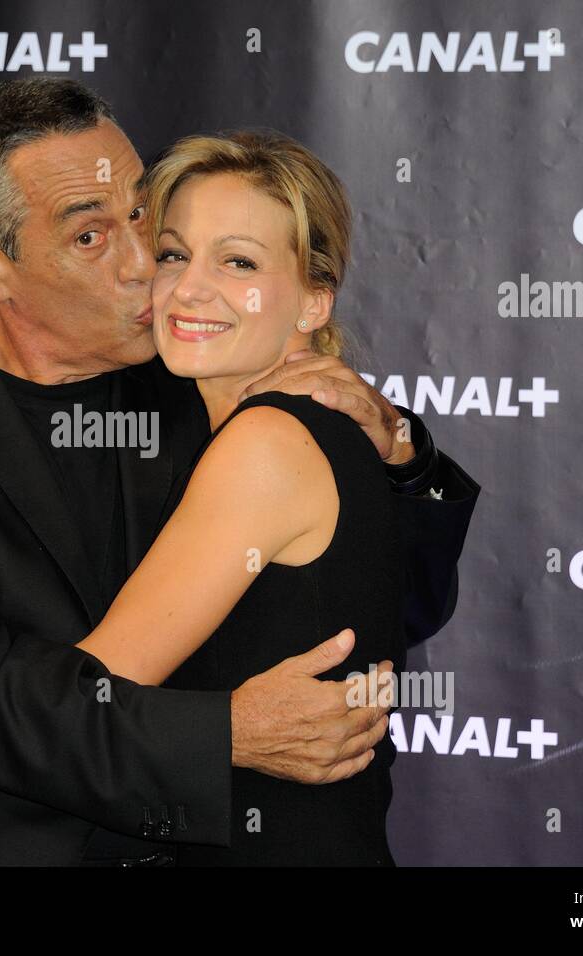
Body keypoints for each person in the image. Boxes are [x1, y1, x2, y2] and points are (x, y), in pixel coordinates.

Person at [0, 77, 479, 866]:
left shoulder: (205, 371)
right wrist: (223, 733)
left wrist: (402, 451)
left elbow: (391, 604)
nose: (142, 270)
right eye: (90, 237)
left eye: (142, 220)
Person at [69, 130, 407, 864]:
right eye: (173, 253)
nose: (188, 288)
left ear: (314, 301)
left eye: (239, 262)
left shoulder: (267, 446)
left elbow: (90, 699)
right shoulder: (267, 430)